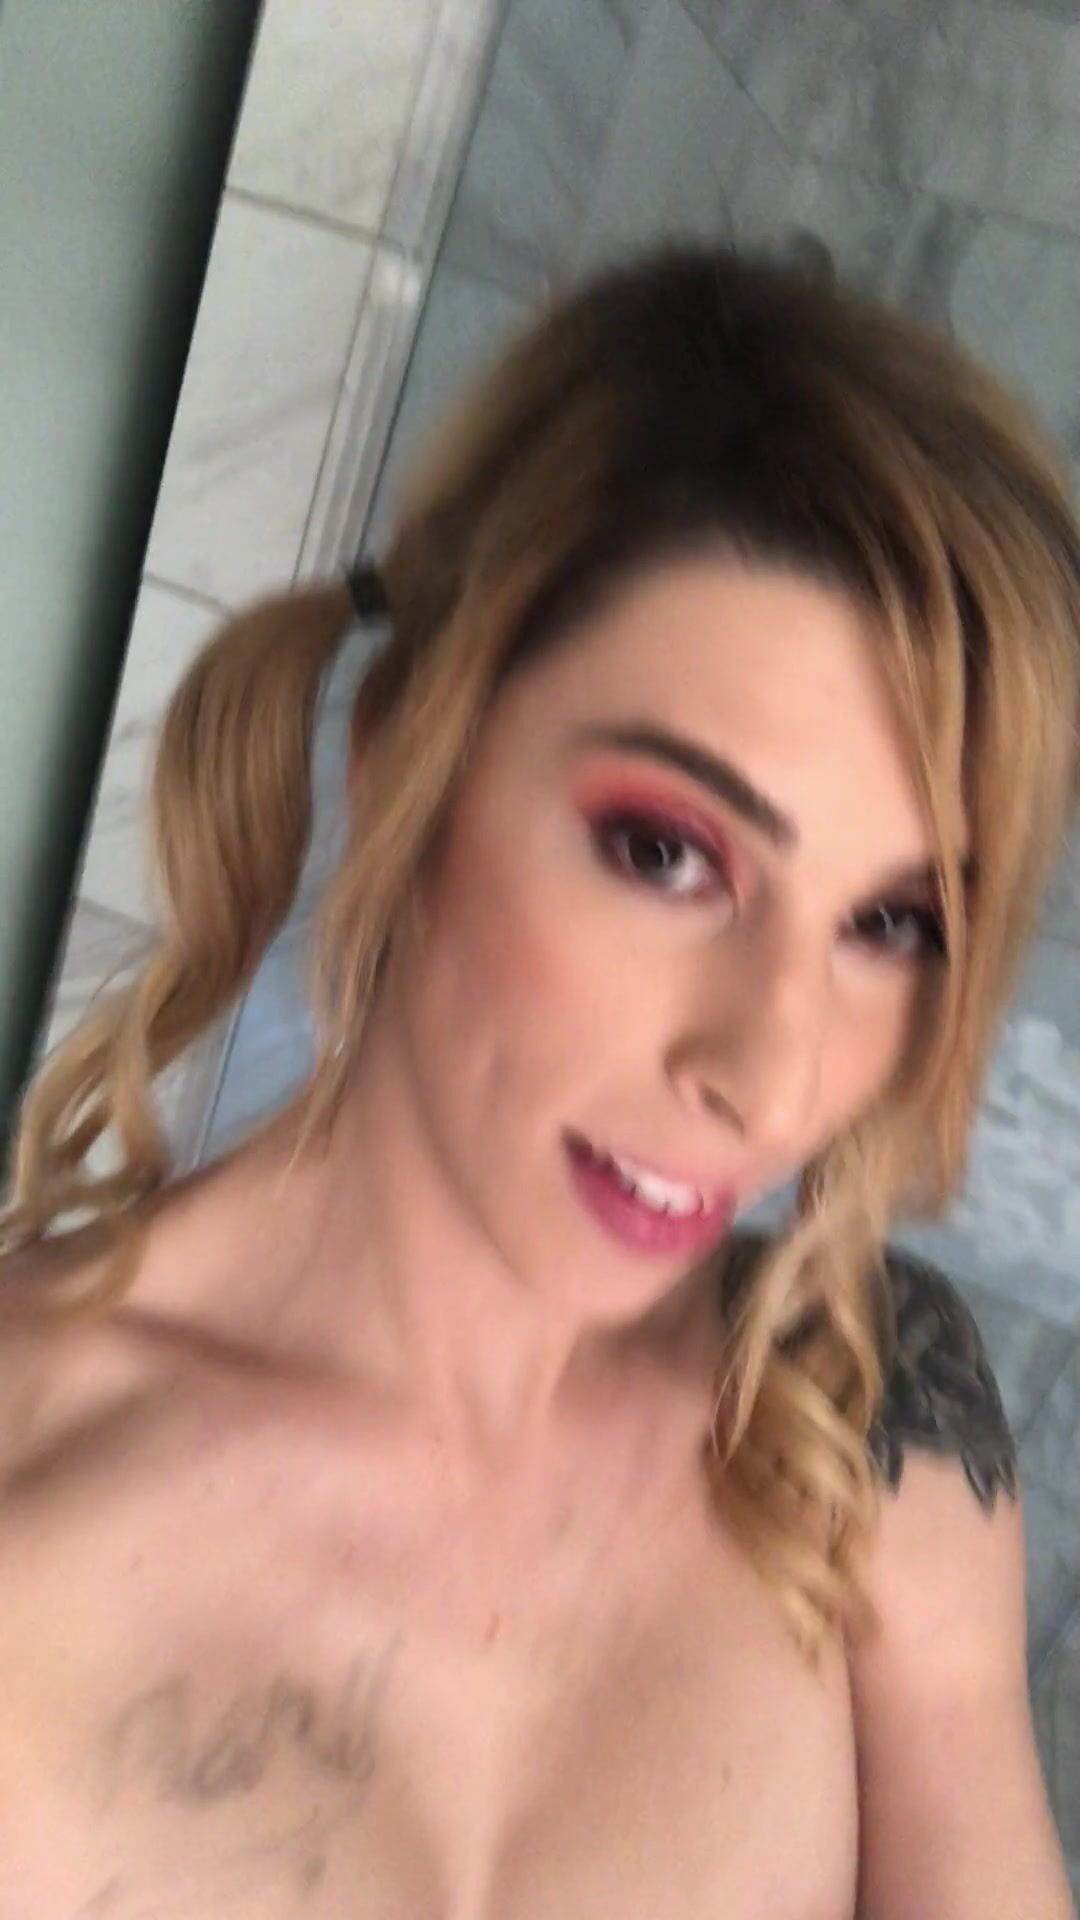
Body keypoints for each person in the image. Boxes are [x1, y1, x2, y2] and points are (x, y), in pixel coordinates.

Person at [0, 243, 1077, 1919]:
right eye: (666, 852)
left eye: (893, 924)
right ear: (405, 761)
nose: (767, 1071)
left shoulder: (857, 1424)